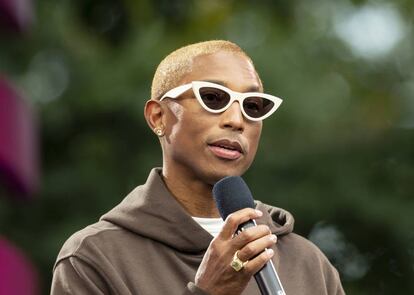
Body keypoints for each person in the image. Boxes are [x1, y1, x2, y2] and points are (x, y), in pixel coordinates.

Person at [51, 40, 345, 295]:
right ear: (158, 117)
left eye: (252, 106)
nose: (236, 120)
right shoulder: (95, 258)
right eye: (214, 98)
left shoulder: (308, 264)